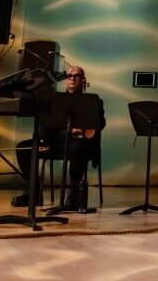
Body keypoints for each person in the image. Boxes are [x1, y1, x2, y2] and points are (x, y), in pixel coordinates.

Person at [11, 66, 105, 209]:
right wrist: (44, 140)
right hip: (57, 144)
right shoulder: (56, 100)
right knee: (24, 147)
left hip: (79, 144)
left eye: (77, 76)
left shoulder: (94, 101)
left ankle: (74, 192)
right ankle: (34, 191)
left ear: (83, 80)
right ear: (65, 79)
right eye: (69, 76)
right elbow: (47, 124)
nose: (72, 78)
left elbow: (100, 125)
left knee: (77, 147)